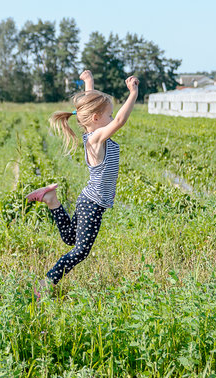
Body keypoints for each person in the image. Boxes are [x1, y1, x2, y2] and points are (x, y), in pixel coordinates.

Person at [27, 70, 139, 297]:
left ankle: (52, 200)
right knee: (80, 251)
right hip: (93, 203)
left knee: (69, 237)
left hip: (88, 199)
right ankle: (46, 283)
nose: (111, 118)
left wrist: (89, 82)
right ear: (96, 119)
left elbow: (91, 108)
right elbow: (120, 121)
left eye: (110, 114)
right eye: (108, 114)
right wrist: (133, 93)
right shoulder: (97, 139)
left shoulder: (93, 134)